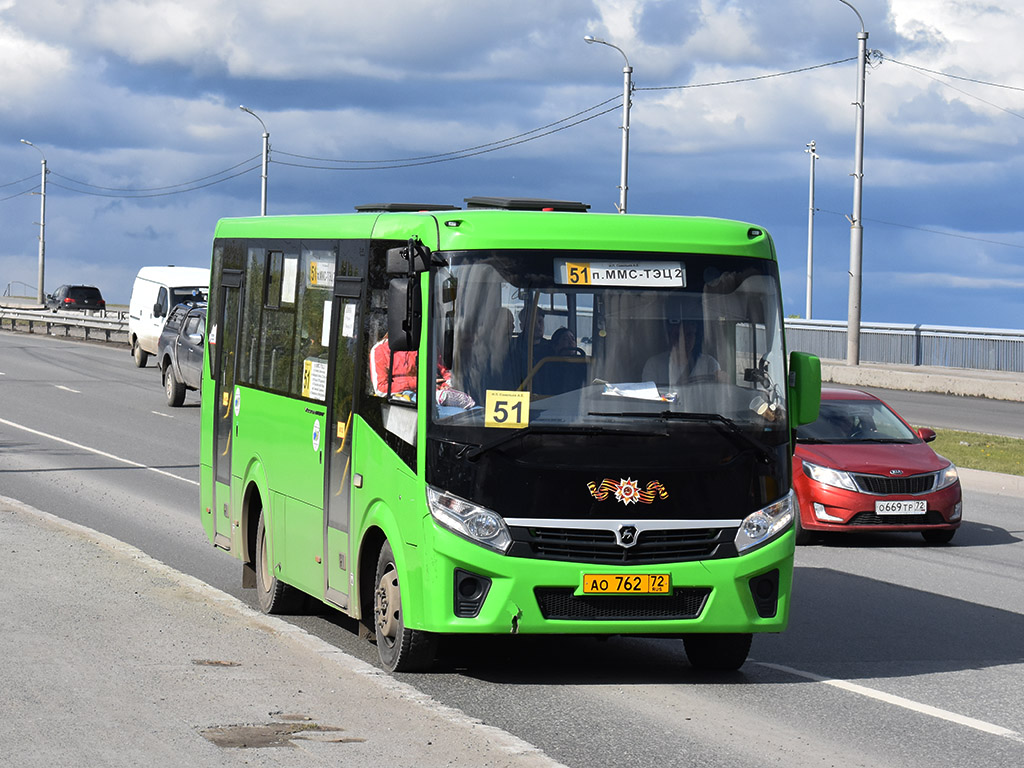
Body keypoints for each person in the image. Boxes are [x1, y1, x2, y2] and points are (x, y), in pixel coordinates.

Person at [642, 318, 720, 385]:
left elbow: (718, 398)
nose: (683, 341)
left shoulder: (710, 364)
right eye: (677, 335)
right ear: (669, 337)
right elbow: (647, 399)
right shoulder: (653, 365)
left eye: (688, 335)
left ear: (696, 337)